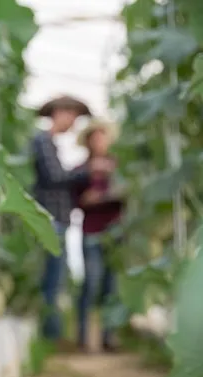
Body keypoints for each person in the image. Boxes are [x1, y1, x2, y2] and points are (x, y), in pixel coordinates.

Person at [31, 96, 114, 350]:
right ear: (61, 113)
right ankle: (51, 337)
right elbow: (55, 177)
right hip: (52, 220)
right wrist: (87, 172)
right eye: (74, 118)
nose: (74, 124)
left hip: (59, 220)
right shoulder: (43, 141)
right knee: (54, 280)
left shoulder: (50, 144)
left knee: (57, 279)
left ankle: (53, 335)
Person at [72, 118, 125, 353]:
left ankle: (108, 337)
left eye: (102, 136)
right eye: (94, 137)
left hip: (115, 232)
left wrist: (104, 196)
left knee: (111, 287)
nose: (98, 141)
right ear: (88, 142)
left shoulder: (118, 166)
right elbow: (75, 201)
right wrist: (86, 199)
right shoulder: (80, 170)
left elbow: (128, 193)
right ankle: (83, 338)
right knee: (91, 283)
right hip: (91, 232)